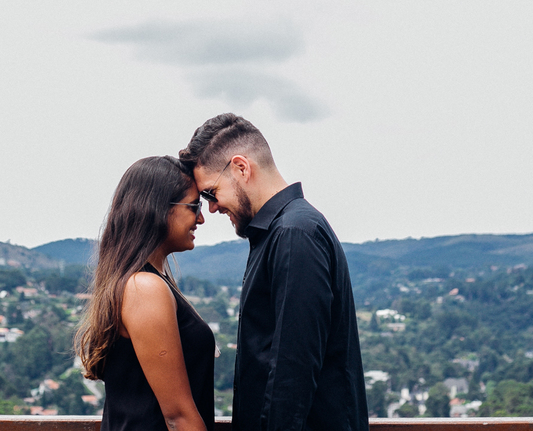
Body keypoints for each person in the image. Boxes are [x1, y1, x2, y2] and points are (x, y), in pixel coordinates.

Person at [179, 114, 368, 431]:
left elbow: (292, 372)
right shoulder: (281, 233)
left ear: (241, 168)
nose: (211, 208)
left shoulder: (294, 234)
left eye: (211, 193)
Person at [75, 156, 216, 431]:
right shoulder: (145, 288)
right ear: (158, 209)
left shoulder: (141, 282)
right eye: (194, 206)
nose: (200, 218)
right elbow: (178, 417)